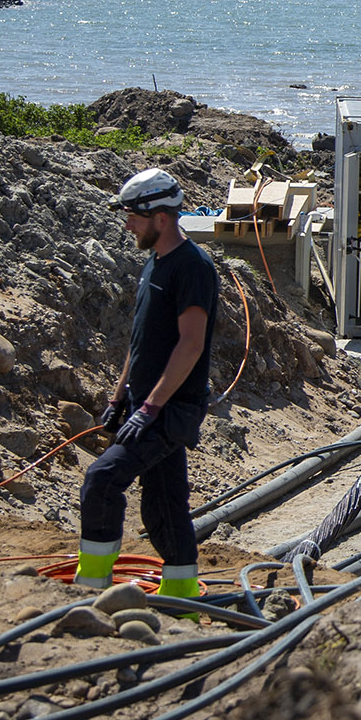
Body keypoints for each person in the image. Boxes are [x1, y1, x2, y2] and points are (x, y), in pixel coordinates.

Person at [76, 167, 218, 599]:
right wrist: (120, 397)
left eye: (133, 216)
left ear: (160, 216)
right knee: (165, 506)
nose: (127, 224)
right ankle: (183, 599)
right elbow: (141, 344)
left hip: (169, 408)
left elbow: (190, 345)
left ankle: (92, 589)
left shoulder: (192, 267)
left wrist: (151, 407)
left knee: (102, 480)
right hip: (145, 404)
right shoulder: (154, 262)